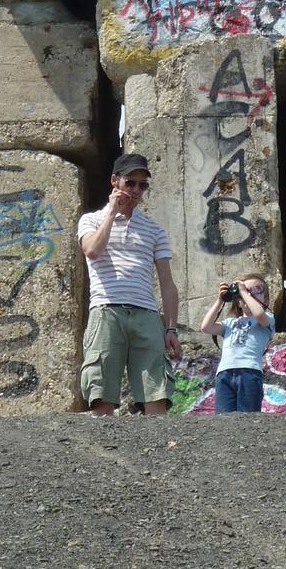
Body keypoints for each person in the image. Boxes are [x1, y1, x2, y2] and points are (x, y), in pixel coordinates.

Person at [77, 152, 182, 416]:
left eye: (142, 185)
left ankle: (158, 442)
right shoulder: (91, 220)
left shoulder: (155, 230)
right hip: (106, 310)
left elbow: (167, 282)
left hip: (146, 313)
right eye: (130, 183)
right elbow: (92, 250)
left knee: (157, 392)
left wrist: (171, 328)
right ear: (115, 181)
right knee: (101, 393)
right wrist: (112, 213)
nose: (136, 190)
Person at [199, 274, 275, 414]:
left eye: (256, 290)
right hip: (224, 373)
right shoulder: (229, 323)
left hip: (250, 372)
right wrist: (220, 300)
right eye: (244, 291)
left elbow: (259, 314)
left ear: (266, 300)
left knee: (247, 418)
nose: (249, 294)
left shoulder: (267, 319)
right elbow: (205, 327)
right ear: (238, 302)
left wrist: (244, 292)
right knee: (223, 418)